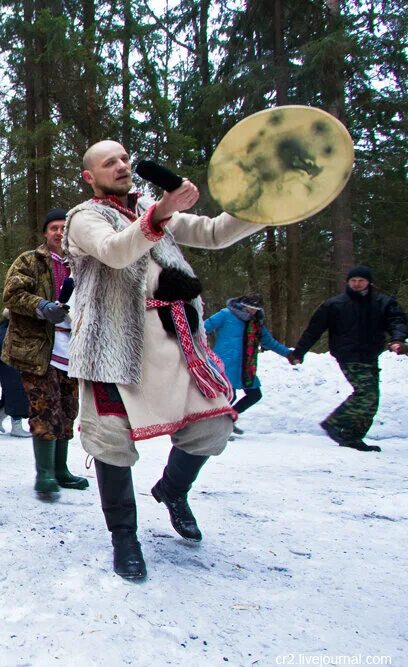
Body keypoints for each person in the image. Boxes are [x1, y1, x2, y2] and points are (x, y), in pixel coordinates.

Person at [64, 141, 266, 579]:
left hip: (175, 346)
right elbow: (117, 251)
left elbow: (214, 232)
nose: (120, 166)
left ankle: (172, 491)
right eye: (108, 163)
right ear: (89, 176)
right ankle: (125, 538)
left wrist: (265, 205)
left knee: (214, 425)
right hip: (114, 348)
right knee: (111, 444)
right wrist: (156, 217)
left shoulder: (151, 208)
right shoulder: (85, 218)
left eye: (123, 158)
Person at [3, 208, 89, 495]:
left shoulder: (84, 265)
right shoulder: (30, 261)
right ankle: (45, 474)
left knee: (67, 409)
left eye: (65, 227)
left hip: (73, 351)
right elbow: (13, 294)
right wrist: (42, 306)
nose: (60, 232)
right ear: (45, 232)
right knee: (45, 408)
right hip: (39, 351)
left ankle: (62, 470)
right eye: (54, 227)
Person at [289, 266, 407, 452]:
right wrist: (298, 352)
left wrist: (398, 339)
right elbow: (314, 330)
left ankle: (352, 437)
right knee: (366, 394)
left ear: (369, 282)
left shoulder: (383, 302)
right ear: (348, 282)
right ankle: (334, 423)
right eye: (353, 281)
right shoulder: (335, 304)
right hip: (348, 355)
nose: (357, 284)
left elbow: (397, 321)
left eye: (361, 280)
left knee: (372, 401)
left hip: (370, 354)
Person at [204, 294, 291, 429]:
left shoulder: (256, 323)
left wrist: (290, 354)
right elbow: (203, 328)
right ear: (242, 305)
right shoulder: (226, 314)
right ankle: (213, 428)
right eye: (250, 308)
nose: (253, 311)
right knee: (228, 397)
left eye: (256, 309)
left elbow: (269, 342)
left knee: (255, 395)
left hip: (246, 367)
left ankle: (227, 420)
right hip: (224, 364)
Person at [0, 310, 32, 438]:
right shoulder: (6, 332)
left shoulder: (13, 330)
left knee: (12, 396)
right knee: (17, 395)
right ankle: (16, 427)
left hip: (15, 368)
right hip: (10, 369)